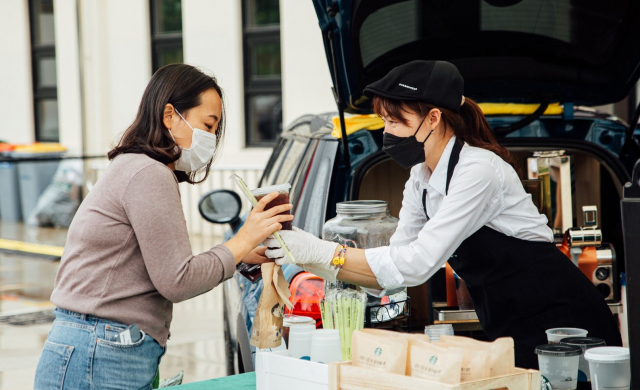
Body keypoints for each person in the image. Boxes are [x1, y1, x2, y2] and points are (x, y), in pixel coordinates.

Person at [264, 60, 621, 369]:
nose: (386, 132)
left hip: (564, 322)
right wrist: (309, 258)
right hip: (508, 323)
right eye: (384, 121)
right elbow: (396, 269)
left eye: (395, 121)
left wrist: (320, 251)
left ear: (433, 117)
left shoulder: (478, 170)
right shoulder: (419, 179)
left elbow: (418, 263)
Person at [34, 64, 289, 389]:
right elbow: (177, 280)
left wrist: (239, 255)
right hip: (100, 351)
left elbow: (161, 268)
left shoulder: (135, 167)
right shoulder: (149, 174)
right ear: (169, 115)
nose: (210, 139)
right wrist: (241, 241)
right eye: (207, 125)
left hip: (95, 344)